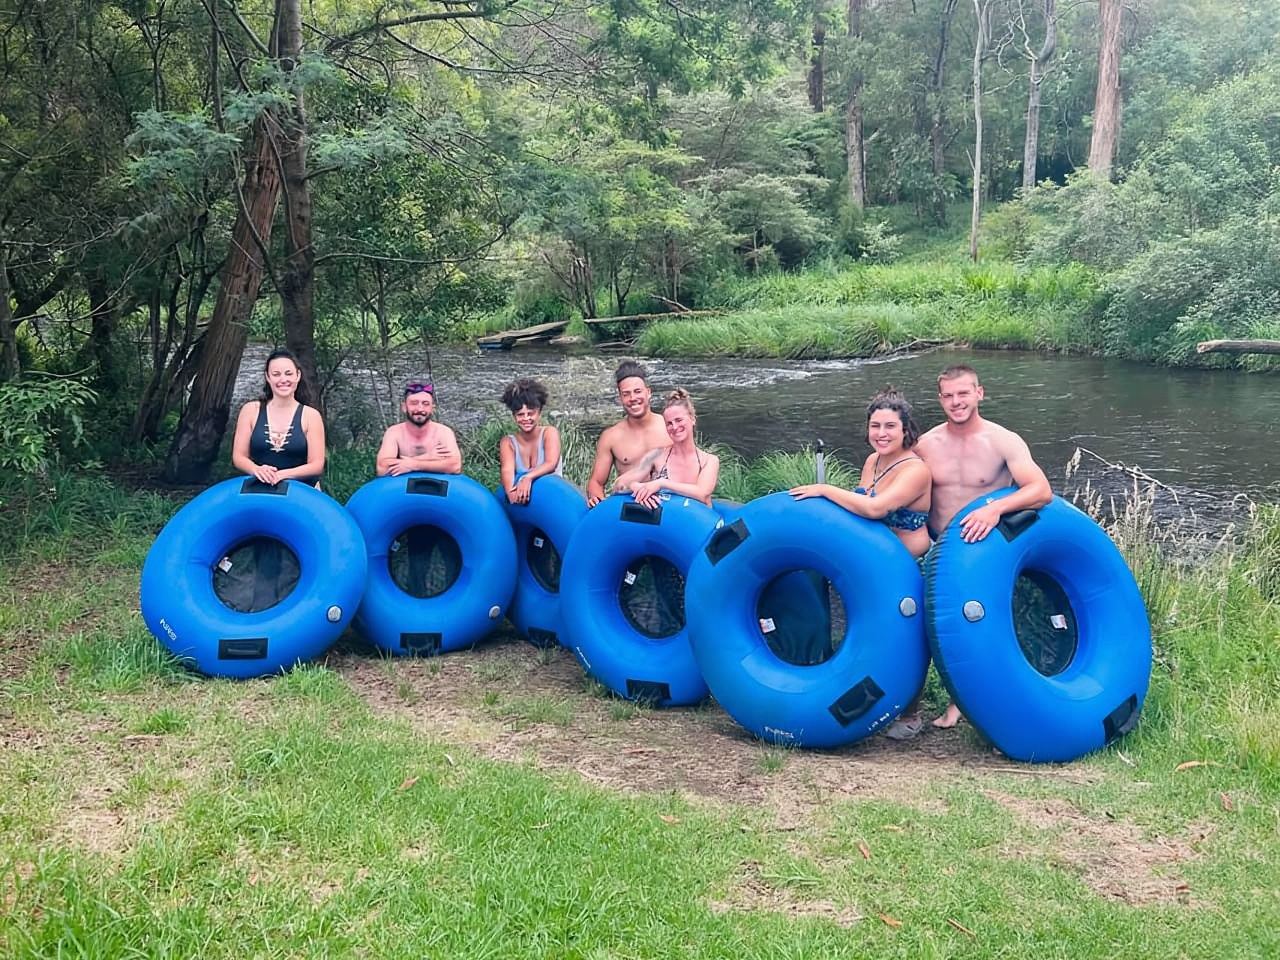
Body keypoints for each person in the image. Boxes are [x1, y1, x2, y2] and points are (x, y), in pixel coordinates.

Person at [915, 363, 1053, 730]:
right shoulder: (926, 445)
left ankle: (974, 706)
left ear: (980, 393)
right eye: (949, 395)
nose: (956, 402)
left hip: (983, 551)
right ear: (940, 399)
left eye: (964, 393)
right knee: (933, 629)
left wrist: (995, 509)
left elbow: (1040, 491)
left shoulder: (1002, 440)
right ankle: (923, 703)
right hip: (937, 550)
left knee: (981, 630)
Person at [788, 388, 932, 559]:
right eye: (875, 426)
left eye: (890, 426)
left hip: (908, 564)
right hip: (870, 554)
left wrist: (825, 490)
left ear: (905, 430)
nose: (881, 434)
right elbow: (859, 504)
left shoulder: (915, 471)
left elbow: (875, 508)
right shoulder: (873, 459)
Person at [231, 348, 325, 487]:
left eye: (288, 374)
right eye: (276, 374)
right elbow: (239, 457)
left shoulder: (311, 416)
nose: (283, 379)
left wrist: (282, 475)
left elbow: (316, 465)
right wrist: (257, 470)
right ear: (268, 377)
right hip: (259, 489)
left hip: (303, 494)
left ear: (298, 376)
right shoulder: (250, 410)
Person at [613, 388, 720, 508]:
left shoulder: (709, 461)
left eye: (679, 420)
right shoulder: (656, 456)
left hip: (697, 523)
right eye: (669, 423)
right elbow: (619, 484)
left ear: (692, 419)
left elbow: (702, 494)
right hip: (665, 523)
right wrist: (635, 486)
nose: (674, 427)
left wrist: (662, 484)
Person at [585, 361, 671, 507]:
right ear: (620, 398)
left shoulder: (670, 427)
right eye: (626, 394)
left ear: (648, 392)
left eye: (637, 391)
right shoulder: (611, 437)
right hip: (629, 506)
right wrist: (596, 500)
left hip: (668, 504)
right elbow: (596, 482)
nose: (633, 398)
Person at [376, 381, 462, 477]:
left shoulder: (444, 432)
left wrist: (413, 465)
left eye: (425, 404)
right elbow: (382, 468)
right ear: (404, 407)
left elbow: (455, 466)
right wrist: (427, 457)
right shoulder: (394, 433)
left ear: (432, 408)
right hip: (402, 488)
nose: (420, 409)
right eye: (414, 403)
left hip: (436, 487)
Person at [499, 377, 563, 504]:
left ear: (539, 413)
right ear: (514, 416)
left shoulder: (549, 433)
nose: (526, 419)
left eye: (530, 413)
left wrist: (527, 477)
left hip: (552, 499)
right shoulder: (508, 443)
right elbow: (507, 470)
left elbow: (551, 463)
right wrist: (511, 492)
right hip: (525, 503)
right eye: (520, 415)